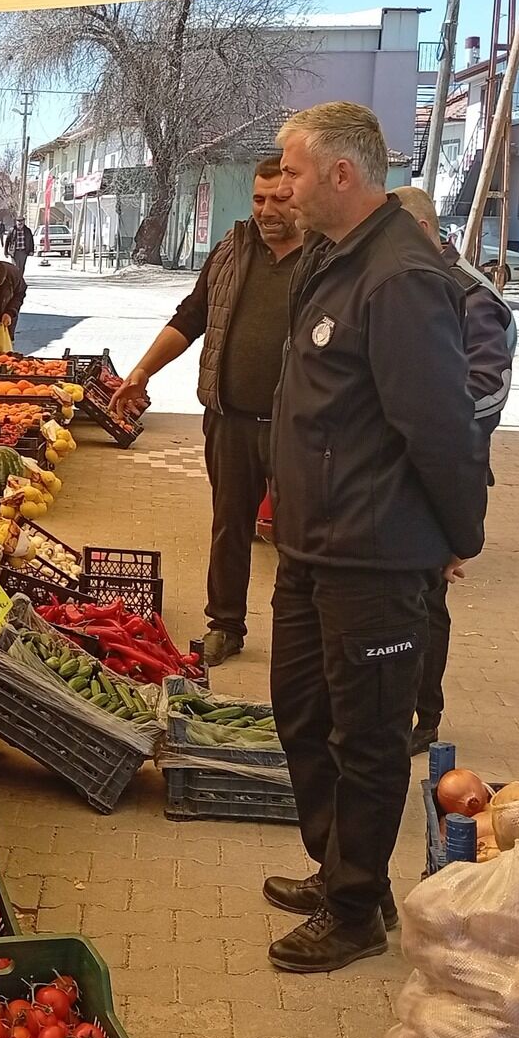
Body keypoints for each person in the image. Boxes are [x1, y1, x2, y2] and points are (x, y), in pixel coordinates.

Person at [263, 102, 487, 974]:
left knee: (367, 736)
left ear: (341, 174)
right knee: (301, 712)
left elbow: (441, 426)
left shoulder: (398, 276)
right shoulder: (337, 258)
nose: (282, 186)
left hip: (375, 553)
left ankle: (356, 910)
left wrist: (455, 533)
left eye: (292, 169)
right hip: (315, 546)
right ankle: (341, 870)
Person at [116, 157, 303, 668]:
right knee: (229, 525)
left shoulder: (326, 258)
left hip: (302, 428)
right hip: (231, 418)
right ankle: (225, 624)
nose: (267, 211)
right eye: (259, 199)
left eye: (280, 200)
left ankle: (299, 636)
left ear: (301, 197)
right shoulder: (232, 250)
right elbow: (191, 316)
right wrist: (141, 372)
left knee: (301, 535)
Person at [389, 184, 518, 756]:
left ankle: (426, 715)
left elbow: (486, 394)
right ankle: (394, 704)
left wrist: (432, 428)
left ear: (417, 230)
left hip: (442, 471)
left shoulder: (473, 296)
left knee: (426, 599)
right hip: (402, 467)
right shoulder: (415, 285)